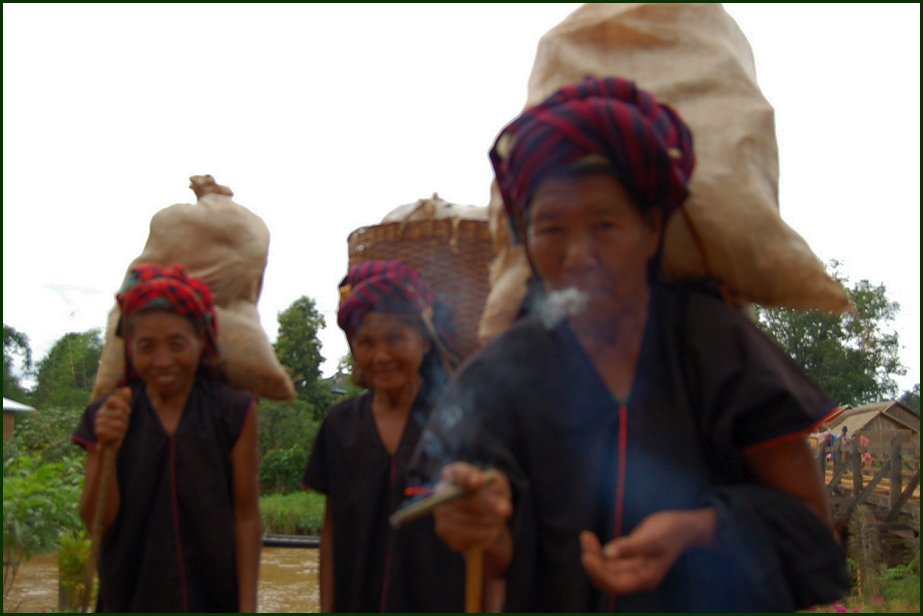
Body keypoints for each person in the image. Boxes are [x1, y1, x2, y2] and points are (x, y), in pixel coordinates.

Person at [411, 76, 850, 611]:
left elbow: (811, 535)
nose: (577, 256)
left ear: (652, 230)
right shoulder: (502, 373)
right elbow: (496, 564)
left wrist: (699, 528)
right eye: (551, 229)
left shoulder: (718, 349)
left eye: (604, 224)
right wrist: (477, 525)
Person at [71, 263, 261, 612]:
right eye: (146, 346)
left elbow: (246, 514)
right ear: (130, 348)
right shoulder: (108, 414)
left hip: (214, 598)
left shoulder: (234, 411)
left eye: (177, 344)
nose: (162, 361)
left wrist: (248, 606)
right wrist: (105, 445)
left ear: (201, 341)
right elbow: (96, 520)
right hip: (128, 598)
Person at [301, 259, 468, 611]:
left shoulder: (456, 421)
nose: (380, 356)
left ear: (424, 341)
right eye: (366, 342)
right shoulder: (340, 425)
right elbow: (332, 535)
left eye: (395, 338)